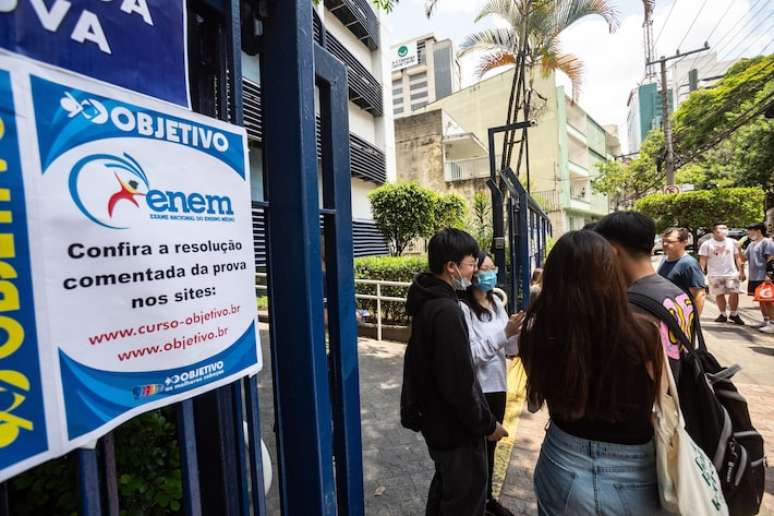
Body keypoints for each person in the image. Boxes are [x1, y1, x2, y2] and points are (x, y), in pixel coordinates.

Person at [519, 230, 665, 515]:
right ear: (610, 274)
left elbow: (537, 399)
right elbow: (656, 397)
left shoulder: (537, 333)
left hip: (561, 460)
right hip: (634, 466)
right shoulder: (644, 333)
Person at [401, 228, 508, 516]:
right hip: (455, 429)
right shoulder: (447, 311)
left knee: (445, 490)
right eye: (472, 264)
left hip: (437, 423)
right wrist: (487, 425)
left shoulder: (427, 302)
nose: (474, 272)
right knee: (464, 498)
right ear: (451, 267)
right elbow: (459, 383)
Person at [595, 212, 693, 382]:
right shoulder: (678, 293)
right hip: (674, 398)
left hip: (644, 405)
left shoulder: (632, 305)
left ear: (612, 250)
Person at [460, 252, 522, 516]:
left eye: (492, 268)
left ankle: (486, 500)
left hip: (499, 386)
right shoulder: (462, 308)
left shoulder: (497, 301)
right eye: (483, 268)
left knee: (491, 446)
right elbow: (470, 355)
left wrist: (517, 332)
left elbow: (507, 347)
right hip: (478, 390)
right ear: (472, 273)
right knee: (476, 450)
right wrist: (503, 334)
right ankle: (474, 502)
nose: (490, 273)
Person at [698, 223, 746, 325]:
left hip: (731, 273)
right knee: (719, 294)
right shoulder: (707, 244)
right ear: (714, 231)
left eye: (726, 228)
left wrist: (741, 271)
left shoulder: (733, 242)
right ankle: (722, 314)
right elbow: (702, 260)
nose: (725, 230)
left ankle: (734, 314)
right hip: (714, 273)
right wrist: (700, 274)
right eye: (722, 228)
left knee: (734, 292)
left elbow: (738, 257)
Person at [658, 227, 706, 314]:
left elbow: (699, 295)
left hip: (681, 316)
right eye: (663, 241)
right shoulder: (664, 259)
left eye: (670, 241)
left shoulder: (689, 264)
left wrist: (694, 323)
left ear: (684, 242)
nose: (665, 244)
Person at [742, 223, 774, 333]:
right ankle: (766, 321)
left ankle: (772, 323)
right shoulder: (752, 244)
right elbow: (744, 257)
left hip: (764, 276)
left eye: (751, 231)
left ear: (759, 231)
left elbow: (771, 258)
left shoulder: (767, 242)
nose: (748, 234)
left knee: (768, 300)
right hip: (754, 275)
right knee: (760, 299)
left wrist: (768, 274)